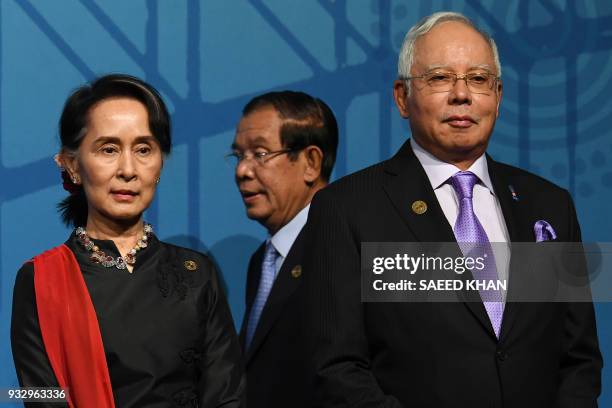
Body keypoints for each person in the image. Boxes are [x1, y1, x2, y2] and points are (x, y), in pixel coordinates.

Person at [303, 12, 602, 408]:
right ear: (401, 97)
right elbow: (336, 369)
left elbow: (578, 358)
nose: (462, 94)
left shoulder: (550, 206)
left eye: (478, 79)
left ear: (498, 96)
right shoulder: (346, 208)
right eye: (440, 77)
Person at [11, 74, 244, 408]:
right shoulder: (40, 279)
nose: (128, 169)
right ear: (73, 165)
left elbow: (228, 395)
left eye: (144, 149)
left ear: (160, 164)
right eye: (108, 149)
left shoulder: (197, 273)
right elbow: (38, 395)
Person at [229, 91, 338, 407]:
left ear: (310, 162)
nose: (242, 171)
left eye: (260, 154)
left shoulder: (347, 247)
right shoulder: (262, 260)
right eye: (239, 156)